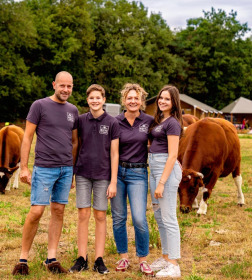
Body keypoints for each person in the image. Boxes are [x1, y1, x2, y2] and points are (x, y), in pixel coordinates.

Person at [12, 71, 79, 276]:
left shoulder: (73, 110)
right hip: (44, 168)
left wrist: (73, 171)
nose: (65, 89)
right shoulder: (39, 106)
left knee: (58, 210)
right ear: (54, 85)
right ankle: (23, 259)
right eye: (62, 86)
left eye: (69, 86)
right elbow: (28, 137)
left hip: (65, 169)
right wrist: (24, 167)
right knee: (37, 211)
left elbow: (75, 141)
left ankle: (51, 258)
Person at [69, 84, 120, 274]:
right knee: (83, 215)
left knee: (100, 215)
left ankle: (99, 259)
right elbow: (75, 146)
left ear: (104, 100)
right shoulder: (80, 120)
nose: (95, 101)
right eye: (92, 98)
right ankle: (82, 258)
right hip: (83, 173)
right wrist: (72, 174)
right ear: (87, 100)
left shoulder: (112, 122)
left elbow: (115, 154)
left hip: (103, 175)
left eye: (98, 97)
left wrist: (113, 181)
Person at [111, 83, 154, 276]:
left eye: (136, 98)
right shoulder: (115, 121)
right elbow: (110, 150)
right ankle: (123, 257)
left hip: (138, 174)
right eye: (129, 98)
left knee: (139, 217)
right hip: (118, 173)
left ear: (142, 101)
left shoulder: (149, 121)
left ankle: (143, 259)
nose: (133, 101)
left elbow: (158, 145)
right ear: (124, 100)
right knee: (119, 218)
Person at [147, 85, 183, 278]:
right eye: (161, 98)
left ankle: (174, 265)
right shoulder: (160, 120)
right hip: (154, 168)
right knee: (160, 217)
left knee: (169, 218)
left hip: (165, 172)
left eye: (167, 99)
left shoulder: (173, 123)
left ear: (173, 102)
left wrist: (161, 182)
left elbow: (173, 155)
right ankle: (165, 256)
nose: (162, 101)